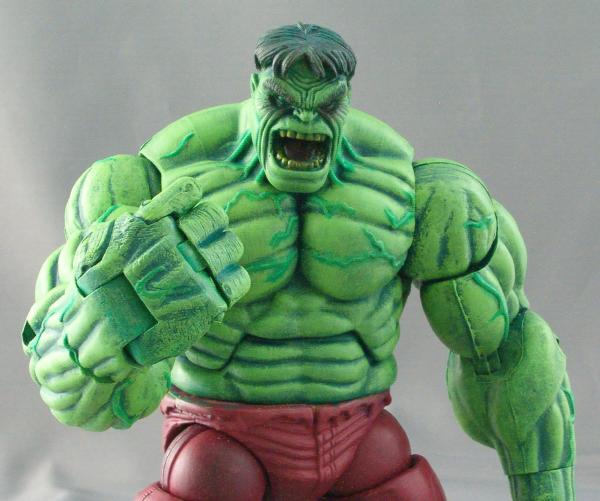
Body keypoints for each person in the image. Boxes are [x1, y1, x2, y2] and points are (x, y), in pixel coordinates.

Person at [23, 23, 575, 501]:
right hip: (219, 438)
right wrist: (114, 314)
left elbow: (508, 352)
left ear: (345, 100)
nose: (305, 118)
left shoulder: (412, 191)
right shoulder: (153, 180)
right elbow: (65, 378)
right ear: (256, 90)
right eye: (283, 101)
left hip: (359, 436)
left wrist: (545, 486)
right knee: (210, 479)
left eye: (326, 105)